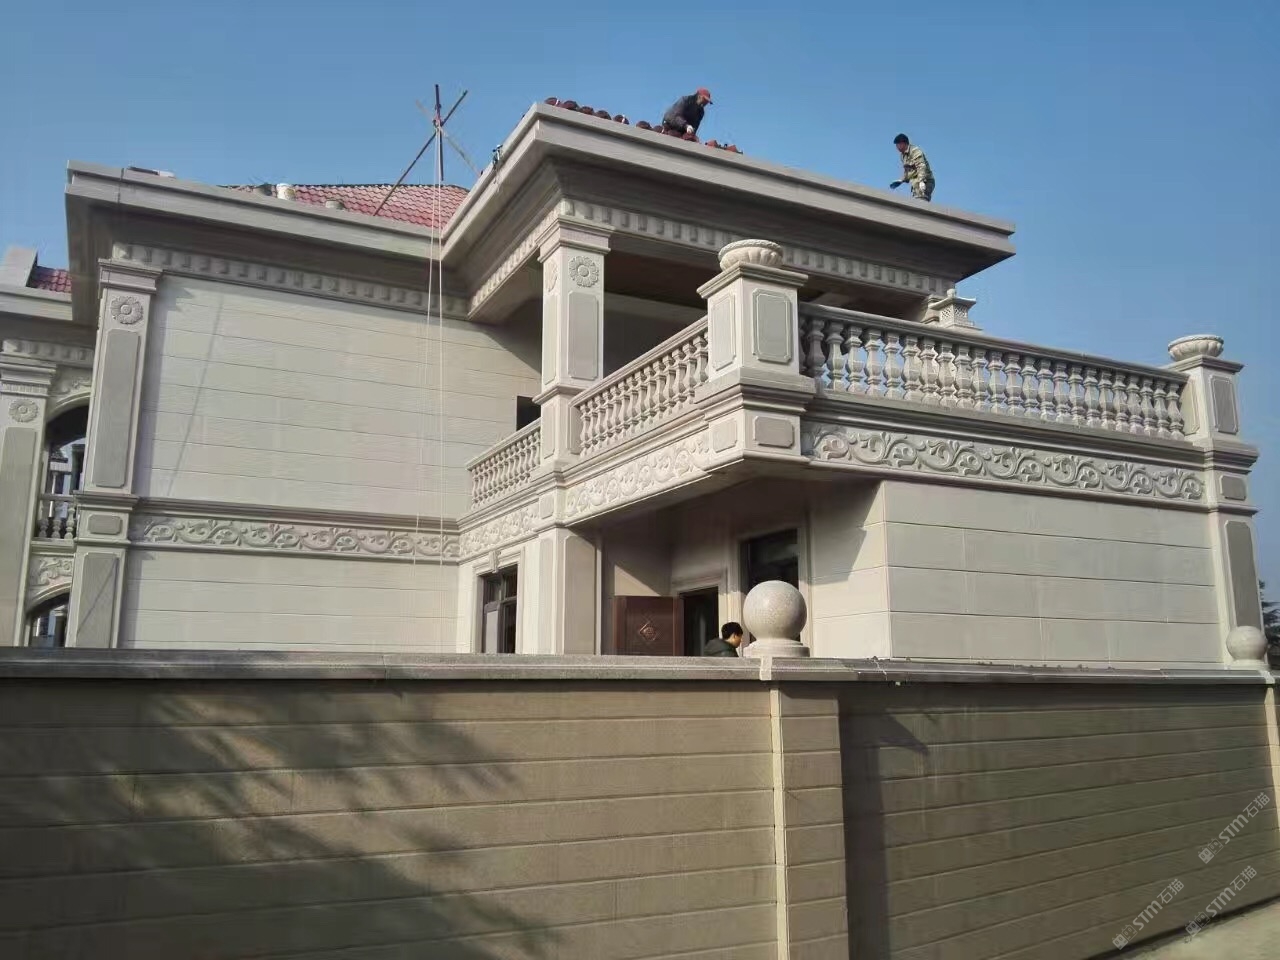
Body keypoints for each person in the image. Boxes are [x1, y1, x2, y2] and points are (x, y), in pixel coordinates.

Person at [890, 133, 934, 201]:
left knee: (921, 200)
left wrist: (921, 181)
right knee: (916, 201)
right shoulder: (903, 155)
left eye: (898, 144)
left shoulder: (915, 151)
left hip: (926, 180)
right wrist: (902, 180)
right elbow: (907, 170)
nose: (897, 147)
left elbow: (921, 166)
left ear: (903, 143)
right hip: (915, 183)